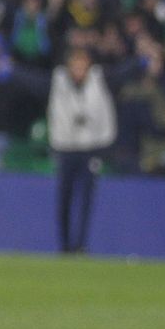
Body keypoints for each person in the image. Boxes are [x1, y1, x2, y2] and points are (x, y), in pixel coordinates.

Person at [43, 47, 118, 253]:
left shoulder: (99, 80)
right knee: (64, 198)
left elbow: (123, 73)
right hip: (66, 148)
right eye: (74, 66)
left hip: (89, 149)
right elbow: (33, 81)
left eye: (81, 66)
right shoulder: (58, 81)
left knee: (86, 198)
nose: (78, 71)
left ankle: (81, 244)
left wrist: (141, 61)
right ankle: (65, 244)